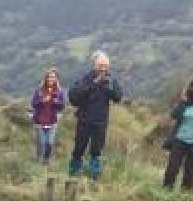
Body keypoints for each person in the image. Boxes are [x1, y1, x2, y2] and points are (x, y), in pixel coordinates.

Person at [68, 51, 124, 181]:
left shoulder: (111, 80)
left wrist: (109, 87)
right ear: (95, 65)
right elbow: (74, 98)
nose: (103, 69)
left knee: (96, 150)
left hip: (100, 121)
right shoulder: (85, 79)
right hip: (84, 120)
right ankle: (73, 174)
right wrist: (94, 84)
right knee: (79, 148)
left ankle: (94, 177)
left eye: (106, 66)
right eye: (100, 65)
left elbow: (118, 97)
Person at [30, 67, 66, 164]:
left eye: (53, 77)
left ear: (56, 79)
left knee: (49, 143)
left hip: (52, 121)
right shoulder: (39, 90)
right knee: (41, 143)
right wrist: (42, 101)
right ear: (46, 78)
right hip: (39, 122)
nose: (51, 79)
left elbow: (62, 106)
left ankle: (46, 160)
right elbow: (33, 104)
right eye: (49, 77)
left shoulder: (59, 91)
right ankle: (39, 162)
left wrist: (55, 101)